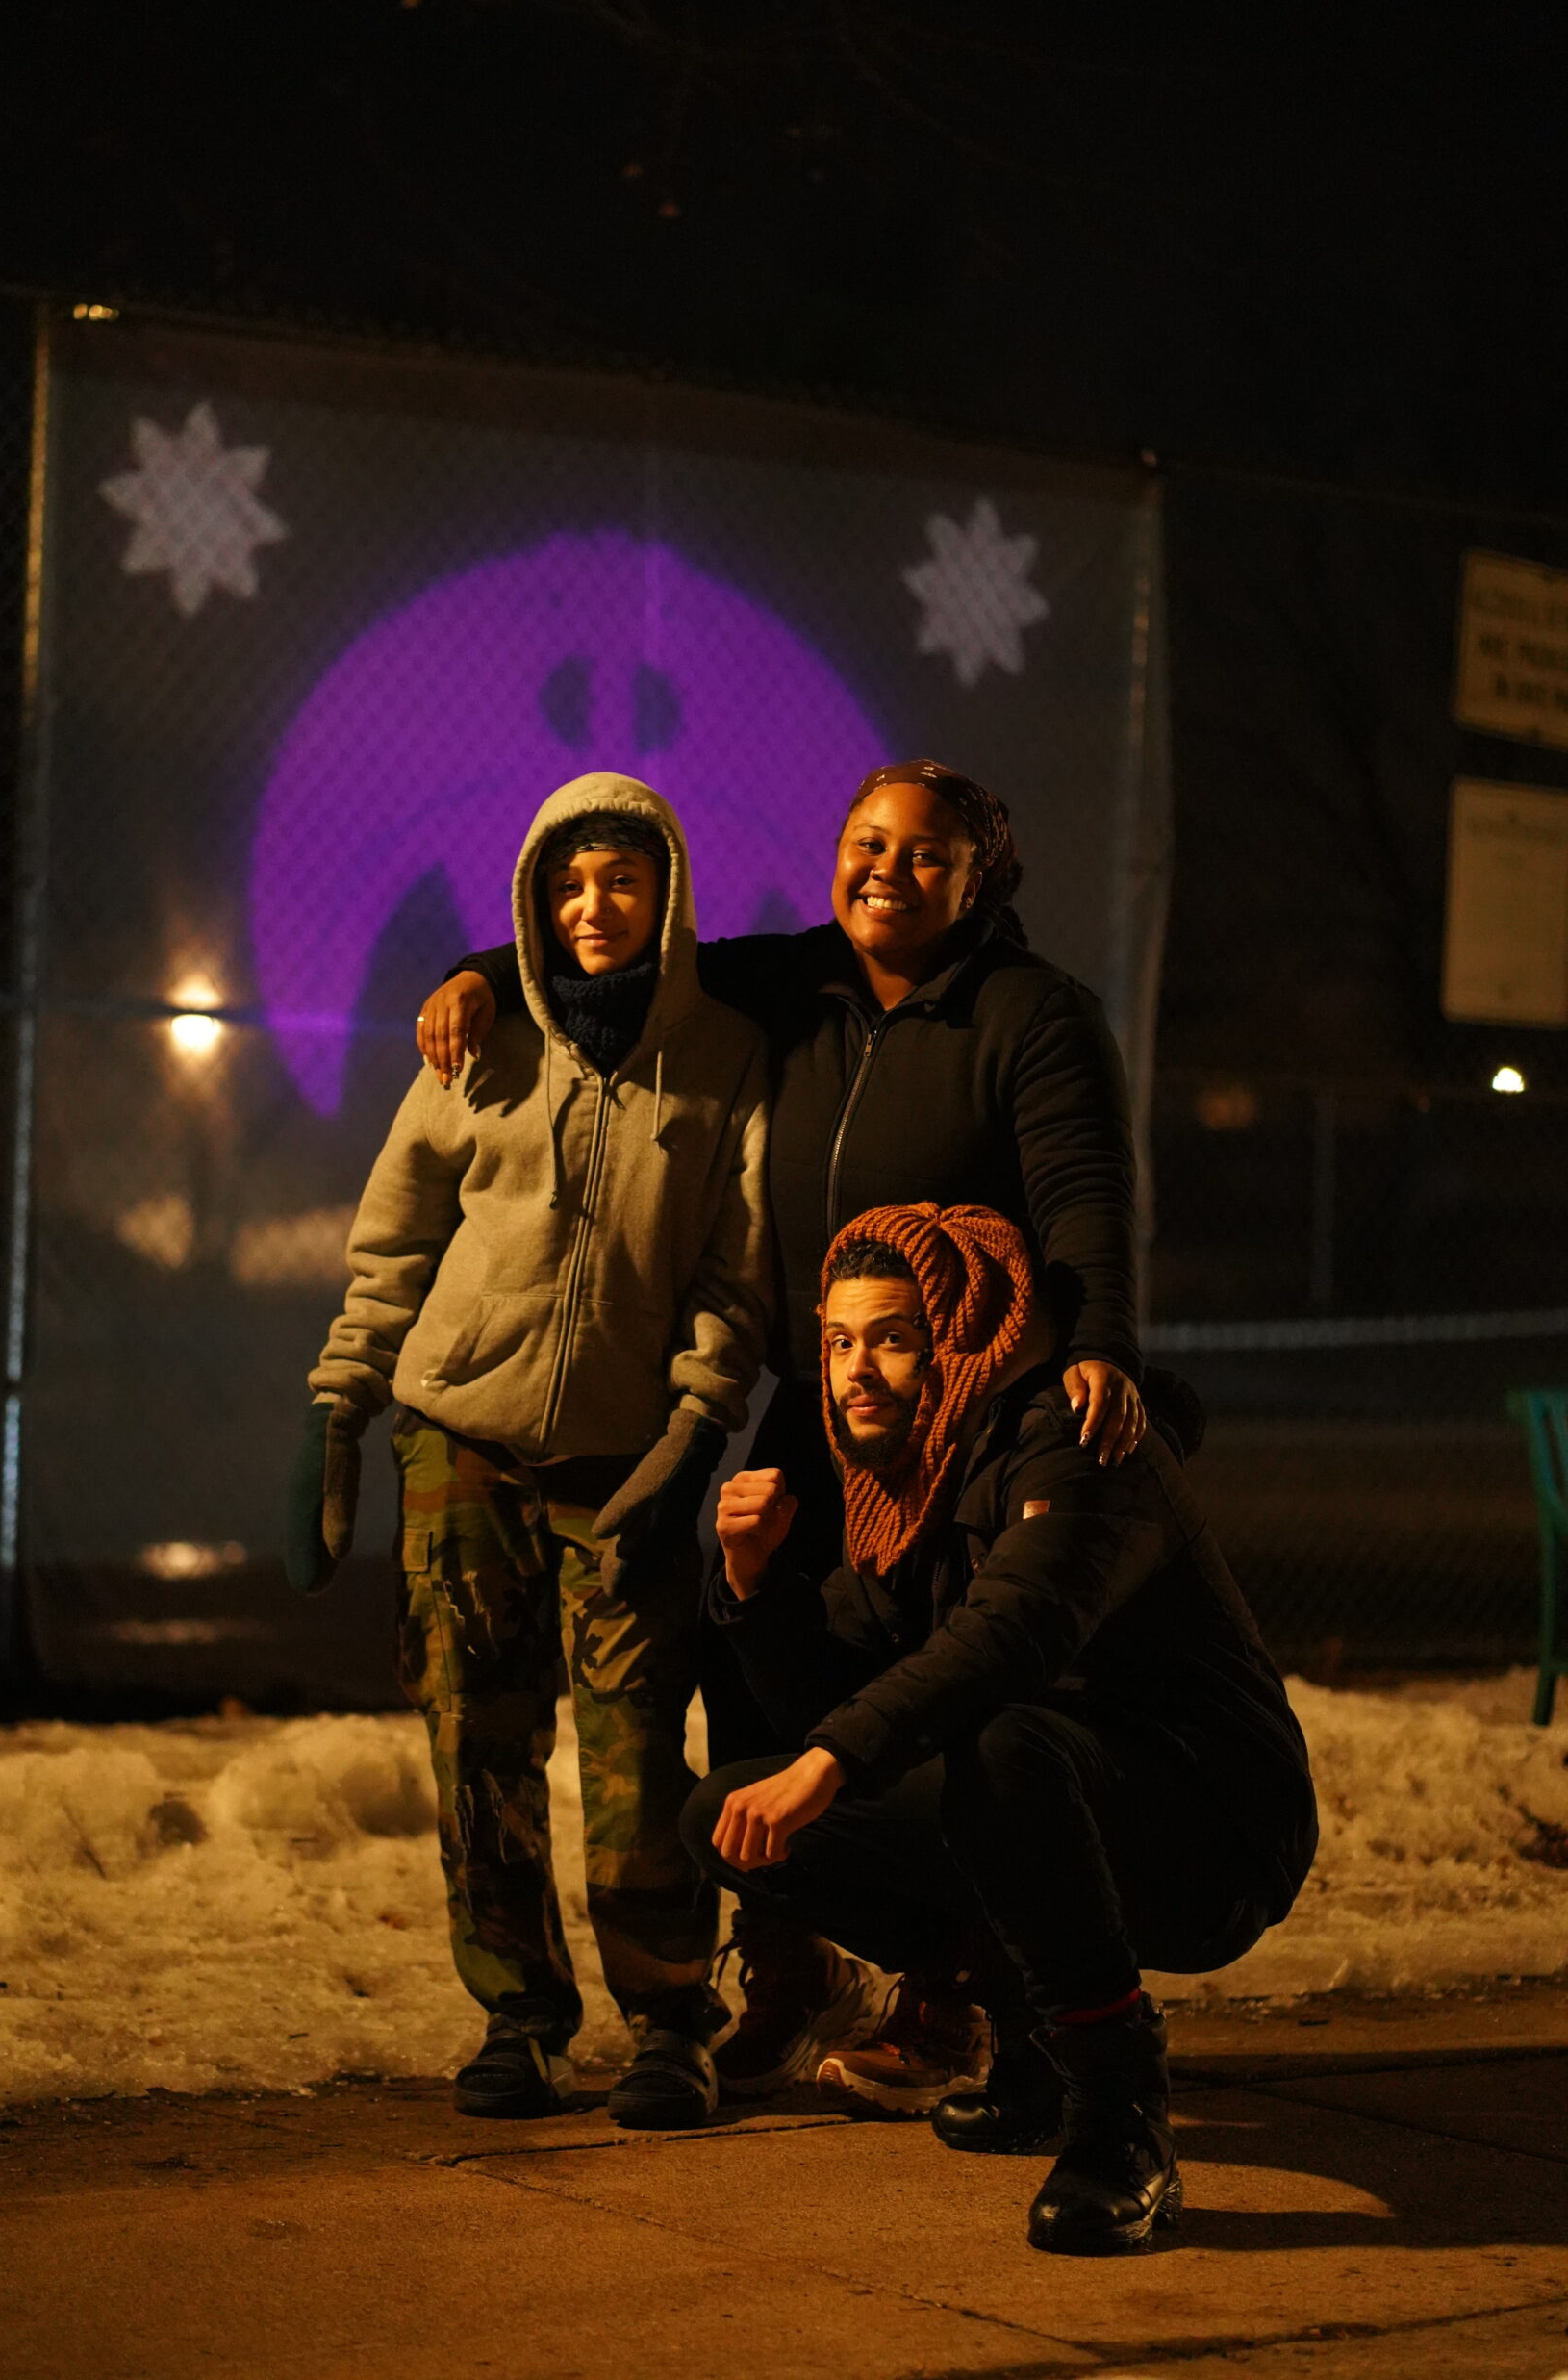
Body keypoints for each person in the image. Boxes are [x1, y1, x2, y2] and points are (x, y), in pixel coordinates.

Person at [414, 760, 1151, 2095]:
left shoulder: (1026, 1017)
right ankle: (796, 1960)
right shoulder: (799, 982)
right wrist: (476, 966)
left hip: (956, 1421)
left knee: (939, 1680)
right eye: (865, 842)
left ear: (977, 878)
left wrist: (1096, 1342)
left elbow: (1081, 1190)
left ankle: (955, 1996)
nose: (886, 870)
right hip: (828, 1404)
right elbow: (623, 951)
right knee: (742, 1652)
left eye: (925, 854)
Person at [683, 1203, 1317, 2255]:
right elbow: (840, 1690)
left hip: (1212, 1828)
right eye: (839, 1341)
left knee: (998, 1746)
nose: (855, 1370)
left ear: (959, 1340)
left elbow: (1015, 1630)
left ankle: (1120, 2118)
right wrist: (751, 1587)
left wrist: (833, 1759)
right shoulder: (911, 1480)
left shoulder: (1081, 1447)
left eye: (892, 1337)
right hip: (1046, 1807)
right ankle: (1030, 2040)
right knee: (729, 1815)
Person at [287, 772, 771, 2131]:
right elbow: (390, 1243)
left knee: (634, 1752)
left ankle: (672, 2020)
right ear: (532, 905)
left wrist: (691, 1428)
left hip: (624, 1462)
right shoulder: (479, 1044)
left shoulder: (725, 1059)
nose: (591, 906)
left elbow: (736, 1274)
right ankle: (516, 2014)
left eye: (619, 879)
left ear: (665, 894)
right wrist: (340, 1408)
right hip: (459, 1443)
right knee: (475, 1734)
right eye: (565, 885)